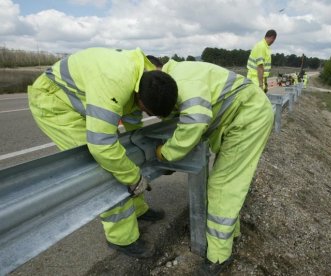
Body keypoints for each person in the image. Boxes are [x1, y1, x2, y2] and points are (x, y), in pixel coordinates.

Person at [27, 47, 178, 258]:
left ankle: (137, 210)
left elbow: (133, 118)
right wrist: (134, 177)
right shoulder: (116, 81)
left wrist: (144, 151)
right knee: (105, 168)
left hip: (84, 100)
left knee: (125, 155)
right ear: (138, 94)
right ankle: (122, 239)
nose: (145, 113)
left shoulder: (147, 78)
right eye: (146, 110)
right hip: (55, 102)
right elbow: (102, 145)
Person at [147, 56, 274, 275]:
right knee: (225, 184)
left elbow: (195, 120)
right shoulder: (176, 76)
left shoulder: (182, 80)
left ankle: (218, 256)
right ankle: (229, 234)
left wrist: (166, 153)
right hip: (242, 114)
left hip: (248, 117)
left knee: (223, 186)